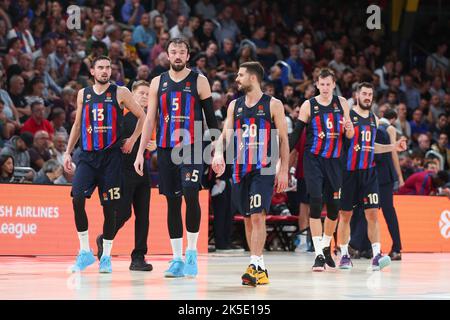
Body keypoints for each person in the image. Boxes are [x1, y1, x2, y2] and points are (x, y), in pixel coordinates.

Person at [134, 38, 218, 278]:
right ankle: (177, 258)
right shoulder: (157, 82)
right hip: (166, 148)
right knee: (172, 201)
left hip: (192, 146)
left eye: (182, 52)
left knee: (191, 192)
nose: (178, 56)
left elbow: (211, 120)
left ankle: (191, 252)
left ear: (188, 56)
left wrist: (217, 151)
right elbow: (150, 119)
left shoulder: (199, 80)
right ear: (167, 56)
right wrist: (141, 152)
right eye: (174, 52)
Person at [64, 55, 145, 274]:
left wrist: (132, 140)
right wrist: (68, 152)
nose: (105, 71)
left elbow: (142, 115)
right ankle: (84, 252)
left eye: (108, 67)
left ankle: (106, 256)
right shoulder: (83, 94)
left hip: (111, 159)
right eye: (100, 67)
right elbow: (78, 124)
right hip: (88, 158)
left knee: (111, 209)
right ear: (92, 71)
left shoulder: (121, 92)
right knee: (77, 198)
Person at [212, 61, 289, 286]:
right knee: (247, 218)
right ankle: (259, 267)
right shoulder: (234, 106)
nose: (237, 78)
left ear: (253, 78)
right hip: (239, 169)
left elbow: (283, 139)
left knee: (258, 215)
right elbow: (225, 135)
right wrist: (217, 154)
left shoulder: (273, 105)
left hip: (263, 168)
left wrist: (283, 169)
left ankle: (254, 265)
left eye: (241, 75)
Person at [289, 68, 355, 271]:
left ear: (334, 85)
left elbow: (350, 135)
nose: (325, 88)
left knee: (334, 208)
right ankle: (318, 254)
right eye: (322, 84)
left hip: (335, 160)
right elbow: (297, 133)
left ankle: (326, 247)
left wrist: (350, 131)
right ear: (317, 85)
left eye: (329, 84)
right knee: (315, 202)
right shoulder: (309, 105)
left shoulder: (342, 103)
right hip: (314, 159)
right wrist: (282, 158)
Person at [337, 82, 406, 271]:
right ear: (357, 95)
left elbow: (372, 147)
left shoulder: (374, 119)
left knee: (373, 214)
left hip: (369, 173)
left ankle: (376, 255)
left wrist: (393, 147)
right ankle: (343, 254)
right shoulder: (348, 116)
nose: (368, 97)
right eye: (364, 93)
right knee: (345, 215)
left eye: (370, 94)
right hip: (349, 173)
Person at [96, 80, 154, 271]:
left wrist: (155, 146)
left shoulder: (150, 118)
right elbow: (111, 140)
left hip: (141, 170)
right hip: (121, 170)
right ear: (132, 96)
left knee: (143, 216)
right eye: (141, 93)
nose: (145, 96)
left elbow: (154, 143)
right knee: (123, 212)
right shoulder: (121, 115)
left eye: (147, 93)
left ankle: (138, 257)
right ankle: (104, 238)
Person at [375, 109, 404, 260]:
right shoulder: (390, 128)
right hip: (385, 176)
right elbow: (394, 152)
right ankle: (397, 247)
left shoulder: (375, 125)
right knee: (387, 211)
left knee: (371, 211)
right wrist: (399, 176)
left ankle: (365, 247)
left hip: (376, 175)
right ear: (393, 119)